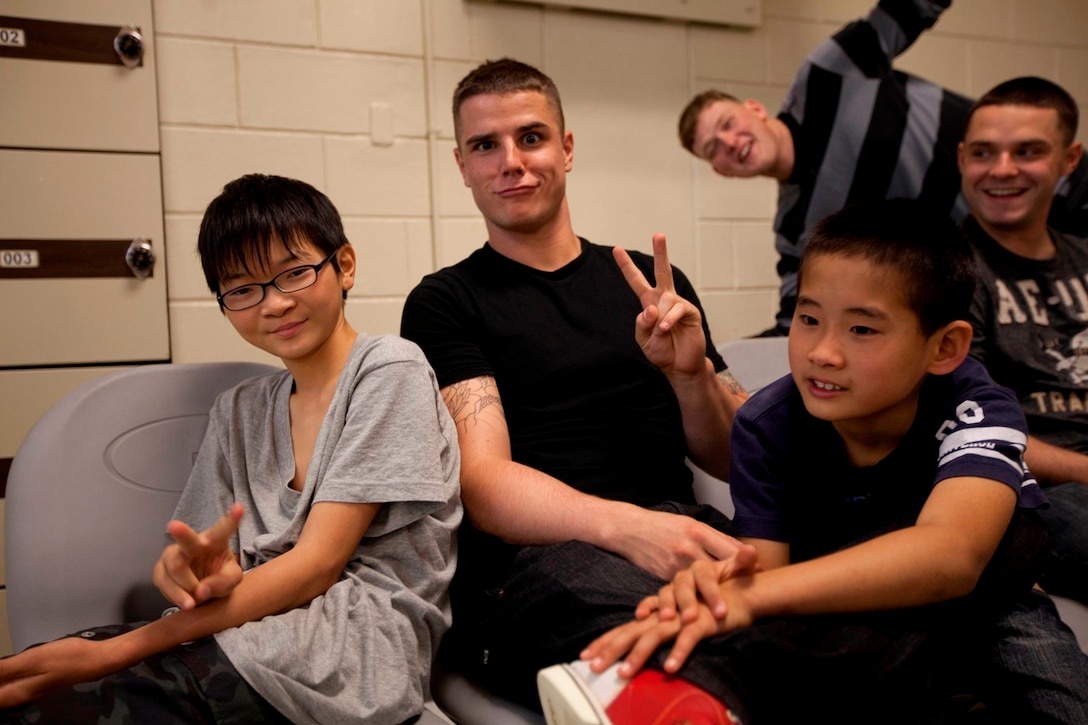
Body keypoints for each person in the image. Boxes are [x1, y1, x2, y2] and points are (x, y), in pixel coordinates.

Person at [546, 198, 1088, 724]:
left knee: (1029, 593)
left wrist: (749, 595)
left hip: (993, 603)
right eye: (808, 319)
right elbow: (768, 576)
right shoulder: (766, 425)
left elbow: (952, 554)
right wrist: (722, 589)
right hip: (848, 607)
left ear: (944, 348)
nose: (821, 352)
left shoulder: (975, 405)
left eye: (862, 329)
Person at [0, 174, 462, 724]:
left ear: (344, 266)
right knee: (32, 678)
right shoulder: (238, 410)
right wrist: (186, 575)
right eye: (243, 289)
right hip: (246, 635)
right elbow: (205, 565)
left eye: (294, 272)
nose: (275, 304)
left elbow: (316, 566)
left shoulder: (389, 369)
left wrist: (117, 651)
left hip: (352, 661)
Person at [399, 58, 754, 713]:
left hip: (682, 531)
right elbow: (485, 482)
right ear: (463, 166)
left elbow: (738, 458)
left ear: (566, 148)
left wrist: (689, 375)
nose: (511, 162)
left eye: (531, 137)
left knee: (834, 624)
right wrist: (632, 529)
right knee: (704, 651)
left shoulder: (654, 284)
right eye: (486, 145)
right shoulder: (446, 302)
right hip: (541, 565)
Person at [679, 0, 1088, 336]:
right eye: (714, 148)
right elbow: (796, 320)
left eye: (728, 123)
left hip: (1070, 193)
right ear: (723, 172)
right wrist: (713, 361)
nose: (729, 142)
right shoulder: (796, 227)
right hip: (1003, 266)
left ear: (754, 109)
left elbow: (912, 6)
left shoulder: (827, 75)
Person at [961, 76, 1088, 605]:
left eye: (1028, 151)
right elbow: (971, 422)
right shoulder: (945, 270)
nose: (1003, 169)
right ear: (961, 158)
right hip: (1031, 488)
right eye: (983, 153)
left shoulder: (1083, 255)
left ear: (1069, 159)